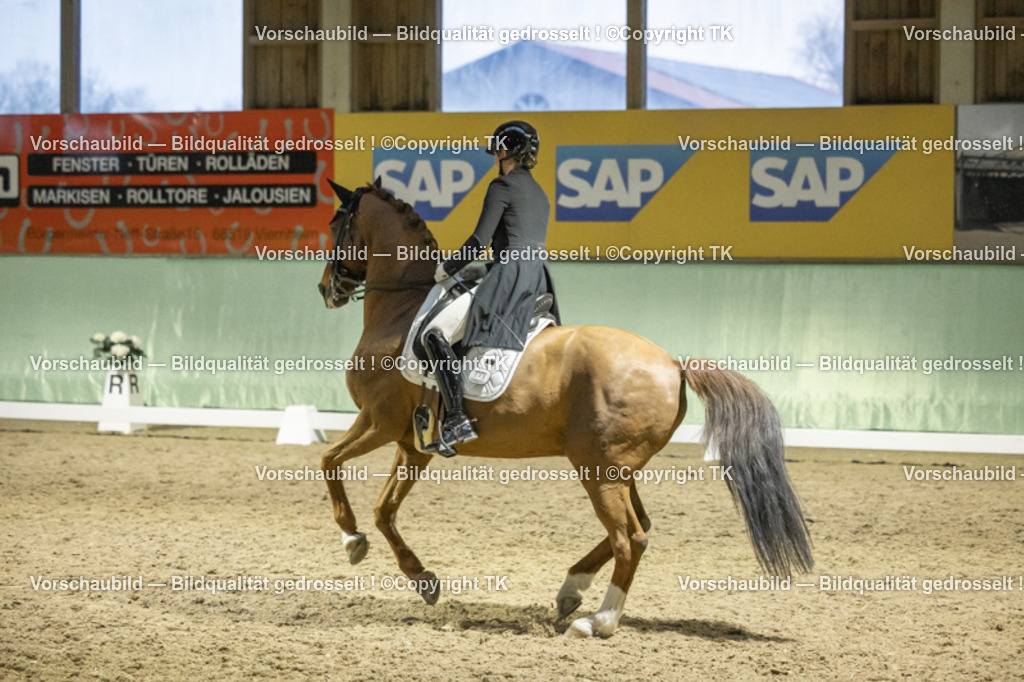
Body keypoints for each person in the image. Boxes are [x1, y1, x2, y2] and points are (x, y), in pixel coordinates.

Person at [423, 120, 560, 455]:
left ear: (504, 150)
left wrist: (448, 267)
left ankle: (456, 419)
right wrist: (478, 270)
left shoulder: (501, 186)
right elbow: (519, 245)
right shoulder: (541, 193)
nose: (494, 155)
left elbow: (479, 240)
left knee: (435, 333)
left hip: (508, 278)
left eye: (496, 149)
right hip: (537, 277)